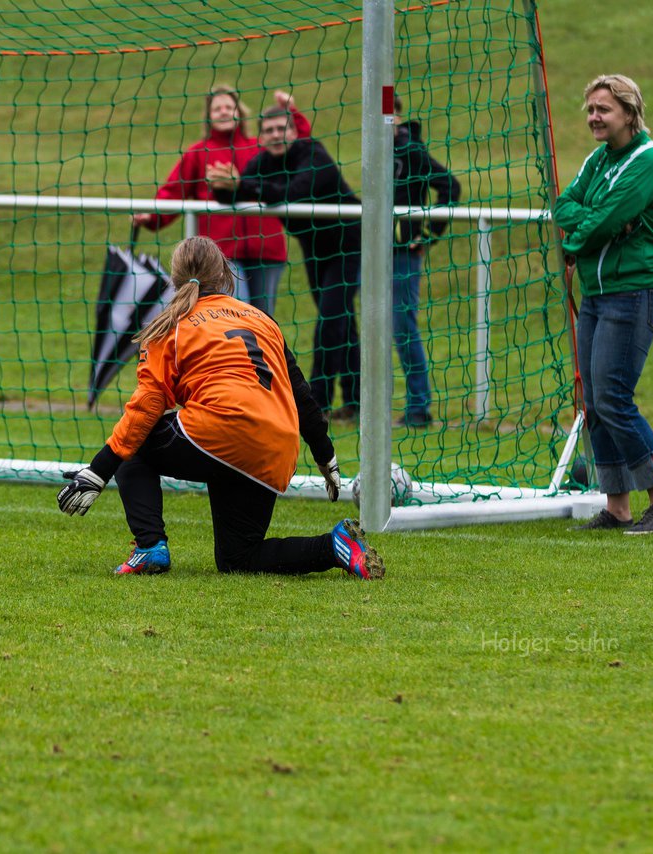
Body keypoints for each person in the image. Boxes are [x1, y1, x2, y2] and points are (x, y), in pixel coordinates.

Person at [55, 236, 384, 579]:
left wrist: (99, 469)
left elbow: (146, 407)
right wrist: (325, 453)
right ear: (225, 272)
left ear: (174, 277)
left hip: (218, 431)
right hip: (275, 447)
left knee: (132, 443)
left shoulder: (171, 325)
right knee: (239, 558)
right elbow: (300, 392)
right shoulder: (261, 319)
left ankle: (149, 547)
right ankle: (335, 546)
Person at [555, 74, 653, 535]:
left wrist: (589, 227)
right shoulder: (596, 160)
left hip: (635, 293)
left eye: (603, 109)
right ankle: (617, 508)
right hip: (596, 293)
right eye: (590, 109)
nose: (594, 117)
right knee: (595, 401)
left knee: (613, 396)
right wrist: (589, 223)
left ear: (629, 113)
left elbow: (606, 220)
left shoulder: (647, 160)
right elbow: (565, 205)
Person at [207, 106, 362, 420]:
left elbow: (294, 193)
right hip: (314, 248)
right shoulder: (262, 163)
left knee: (331, 321)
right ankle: (355, 401)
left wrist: (243, 186)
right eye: (270, 130)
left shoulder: (314, 155)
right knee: (340, 322)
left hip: (350, 243)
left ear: (293, 132)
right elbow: (236, 193)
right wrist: (221, 186)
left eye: (282, 129)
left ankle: (317, 402)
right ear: (262, 137)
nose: (277, 135)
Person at [132, 87, 311, 315]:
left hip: (267, 250)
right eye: (217, 109)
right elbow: (174, 191)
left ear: (239, 111)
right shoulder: (197, 153)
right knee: (234, 317)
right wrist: (152, 216)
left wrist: (292, 113)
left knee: (264, 319)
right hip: (222, 255)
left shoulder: (260, 148)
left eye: (229, 106)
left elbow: (299, 149)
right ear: (209, 116)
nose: (224, 112)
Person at [390, 96, 462, 428]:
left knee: (403, 326)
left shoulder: (410, 150)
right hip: (373, 250)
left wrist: (430, 233)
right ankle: (360, 402)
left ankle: (419, 408)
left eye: (388, 115)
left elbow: (450, 185)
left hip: (403, 253)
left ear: (397, 116)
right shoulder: (374, 151)